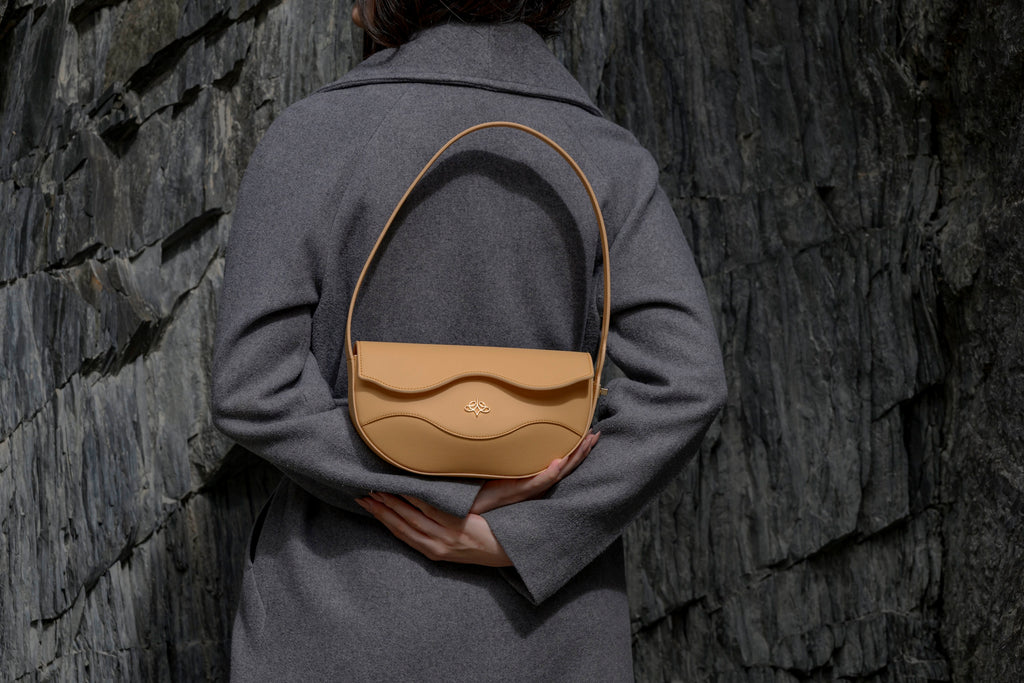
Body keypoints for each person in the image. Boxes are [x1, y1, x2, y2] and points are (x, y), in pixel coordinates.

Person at [210, 0, 727, 679]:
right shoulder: (605, 155)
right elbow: (688, 382)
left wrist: (438, 488)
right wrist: (525, 533)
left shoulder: (313, 137)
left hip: (343, 615)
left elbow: (254, 384)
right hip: (547, 638)